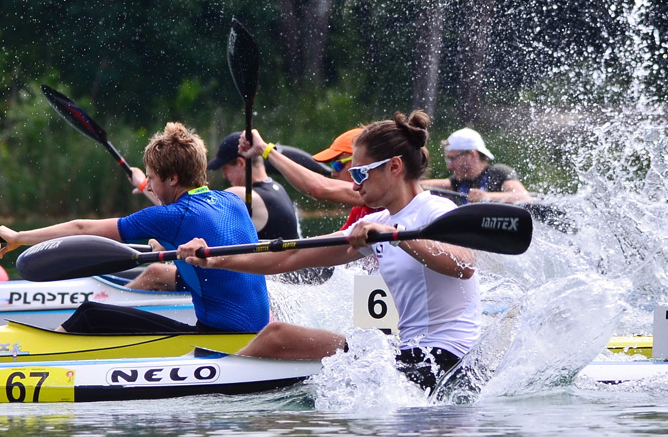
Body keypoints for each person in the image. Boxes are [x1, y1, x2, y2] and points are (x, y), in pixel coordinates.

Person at [180, 112, 479, 390]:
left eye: (360, 174)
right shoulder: (376, 222)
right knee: (277, 335)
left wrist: (396, 237)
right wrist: (214, 258)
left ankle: (211, 389)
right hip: (409, 353)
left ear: (394, 167)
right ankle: (213, 385)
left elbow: (463, 264)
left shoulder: (436, 210)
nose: (355, 184)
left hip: (449, 362)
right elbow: (291, 256)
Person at [0, 122, 270, 334]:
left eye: (152, 180)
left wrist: (19, 237)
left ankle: (35, 360)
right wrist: (170, 244)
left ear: (172, 178)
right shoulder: (232, 200)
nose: (152, 188)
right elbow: (222, 274)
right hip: (254, 331)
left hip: (222, 339)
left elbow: (83, 227)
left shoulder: (172, 216)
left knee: (90, 315)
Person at [238, 127, 371, 231]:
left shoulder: (372, 194)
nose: (333, 173)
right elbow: (331, 250)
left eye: (337, 165)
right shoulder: (360, 211)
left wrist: (264, 149)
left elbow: (319, 189)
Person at [207, 132, 301, 240]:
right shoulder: (279, 188)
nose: (224, 176)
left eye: (225, 168)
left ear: (241, 163)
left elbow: (199, 211)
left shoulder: (240, 194)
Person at [421, 128, 531, 203]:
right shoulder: (459, 181)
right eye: (447, 159)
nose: (449, 166)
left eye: (452, 159)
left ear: (472, 155)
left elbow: (524, 197)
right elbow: (423, 185)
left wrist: (487, 197)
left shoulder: (499, 172)